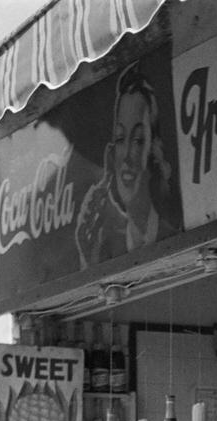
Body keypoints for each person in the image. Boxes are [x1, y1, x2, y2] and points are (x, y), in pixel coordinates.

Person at [75, 62, 178, 267]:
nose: (128, 157)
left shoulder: (174, 235)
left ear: (155, 151)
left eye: (139, 140)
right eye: (121, 139)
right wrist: (87, 258)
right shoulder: (114, 247)